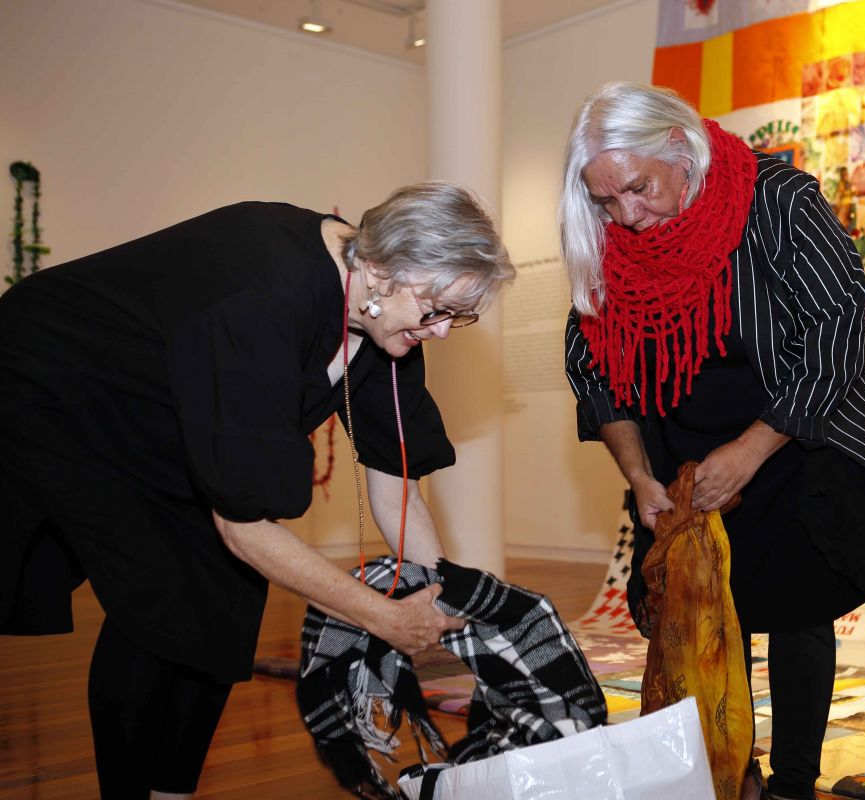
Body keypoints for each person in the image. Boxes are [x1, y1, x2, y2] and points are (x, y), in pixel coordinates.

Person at [0, 182, 513, 799]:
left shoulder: (390, 323)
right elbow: (242, 525)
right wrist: (381, 616)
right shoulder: (263, 292)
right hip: (54, 386)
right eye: (437, 309)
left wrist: (446, 599)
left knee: (222, 603)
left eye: (460, 314)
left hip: (167, 412)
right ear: (380, 269)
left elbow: (396, 486)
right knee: (161, 595)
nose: (444, 331)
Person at [559, 82, 865, 800]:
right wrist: (638, 476)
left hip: (796, 430)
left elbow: (835, 330)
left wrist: (754, 449)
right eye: (605, 202)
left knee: (794, 609)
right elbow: (593, 369)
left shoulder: (778, 202)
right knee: (697, 612)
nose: (625, 216)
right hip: (682, 445)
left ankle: (792, 782)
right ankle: (732, 774)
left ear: (680, 149)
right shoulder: (610, 239)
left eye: (638, 189)